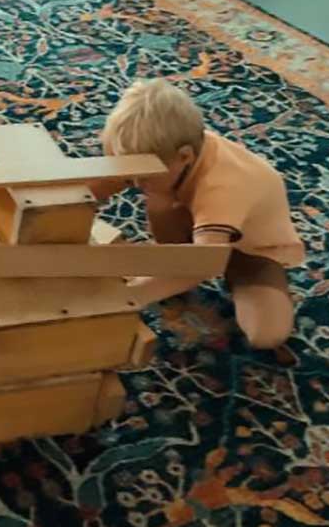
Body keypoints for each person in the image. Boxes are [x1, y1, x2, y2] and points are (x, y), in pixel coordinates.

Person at [89, 79, 305, 350]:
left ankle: (247, 280)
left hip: (252, 252)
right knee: (159, 197)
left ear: (185, 157)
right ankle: (175, 258)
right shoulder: (166, 153)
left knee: (265, 335)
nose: (133, 182)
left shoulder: (224, 187)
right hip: (199, 221)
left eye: (142, 176)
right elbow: (99, 185)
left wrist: (128, 296)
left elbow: (202, 264)